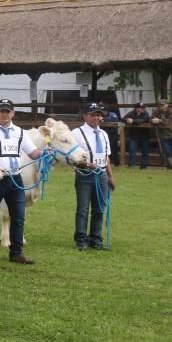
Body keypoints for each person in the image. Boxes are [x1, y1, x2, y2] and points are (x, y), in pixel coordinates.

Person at [0, 99, 44, 265]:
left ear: (13, 113)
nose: (4, 114)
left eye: (8, 111)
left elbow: (32, 153)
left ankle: (16, 253)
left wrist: (45, 152)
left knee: (18, 217)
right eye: (1, 111)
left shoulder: (19, 132)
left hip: (15, 179)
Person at [71, 103, 117, 250]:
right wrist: (86, 164)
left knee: (100, 208)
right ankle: (81, 239)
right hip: (84, 174)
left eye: (99, 114)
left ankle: (96, 239)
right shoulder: (76, 133)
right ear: (85, 116)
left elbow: (106, 157)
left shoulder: (103, 134)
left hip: (101, 174)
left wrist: (110, 176)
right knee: (83, 208)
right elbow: (72, 157)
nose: (97, 117)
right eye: (93, 114)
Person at [151, 98, 172, 170]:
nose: (161, 106)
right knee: (167, 151)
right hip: (163, 134)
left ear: (167, 105)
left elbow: (170, 122)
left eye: (162, 105)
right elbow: (151, 119)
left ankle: (171, 166)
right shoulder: (156, 111)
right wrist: (153, 121)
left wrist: (159, 120)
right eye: (160, 105)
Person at [123, 102, 151, 169]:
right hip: (134, 135)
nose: (143, 109)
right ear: (137, 108)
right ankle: (132, 165)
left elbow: (144, 120)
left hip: (145, 135)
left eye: (143, 108)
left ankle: (144, 166)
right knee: (132, 150)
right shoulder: (131, 113)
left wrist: (133, 121)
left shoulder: (146, 113)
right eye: (141, 108)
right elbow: (123, 118)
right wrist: (127, 120)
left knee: (145, 151)